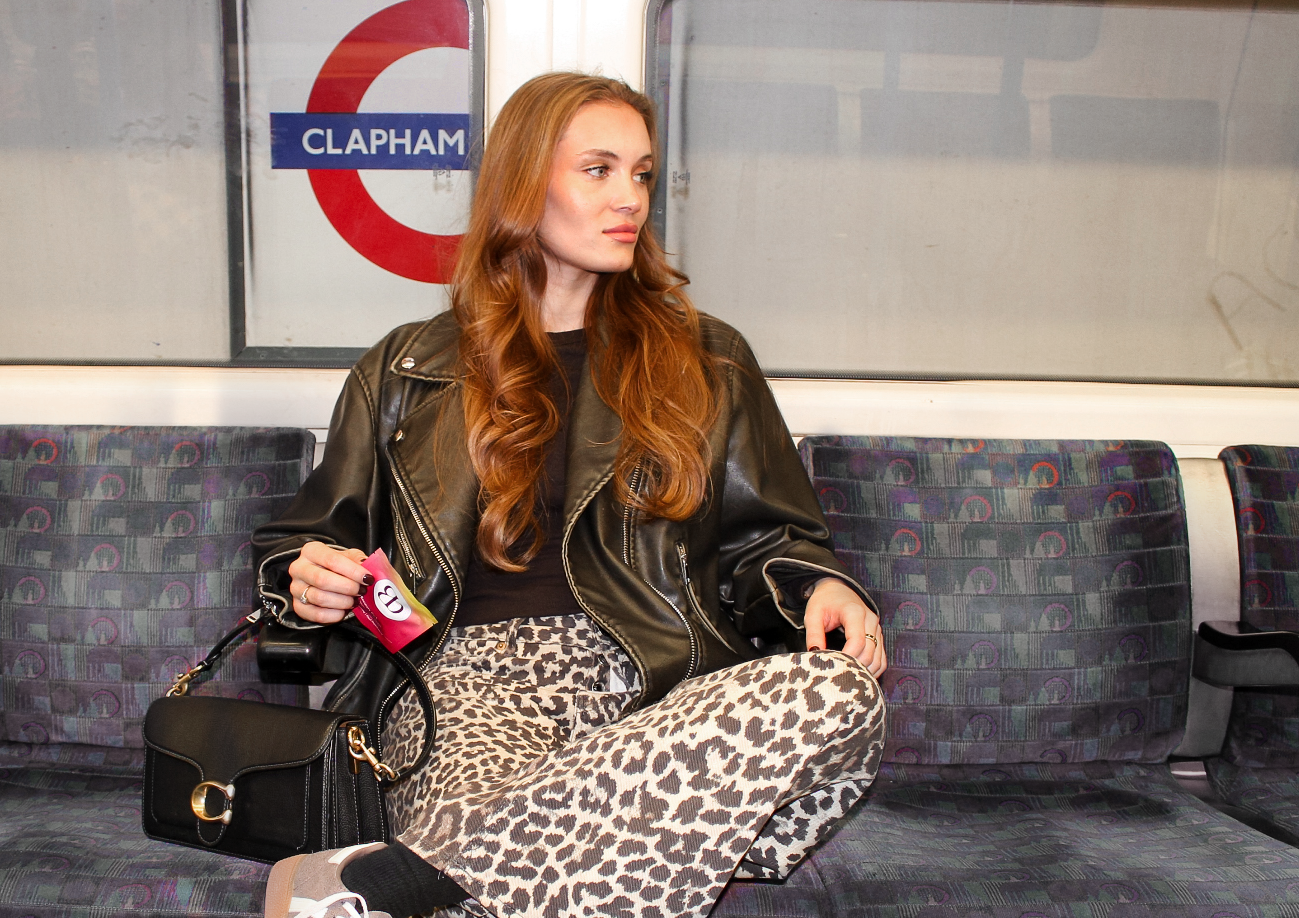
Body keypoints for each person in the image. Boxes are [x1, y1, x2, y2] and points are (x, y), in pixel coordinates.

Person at [251, 72, 887, 918]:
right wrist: (307, 576)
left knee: (835, 692)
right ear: (524, 184)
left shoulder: (708, 360)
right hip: (465, 688)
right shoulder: (405, 370)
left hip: (660, 687)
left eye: (643, 174)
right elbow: (303, 542)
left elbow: (768, 536)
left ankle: (421, 874)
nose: (629, 197)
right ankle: (511, 854)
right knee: (599, 862)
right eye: (598, 169)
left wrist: (819, 581)